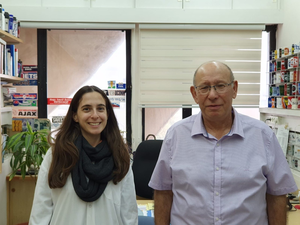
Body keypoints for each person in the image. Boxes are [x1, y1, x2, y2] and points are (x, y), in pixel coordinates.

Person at [149, 61, 298, 225]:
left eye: (220, 86)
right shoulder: (176, 136)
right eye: (204, 88)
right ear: (194, 94)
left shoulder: (263, 136)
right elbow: (163, 191)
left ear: (234, 89)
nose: (212, 95)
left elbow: (277, 195)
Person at [29, 85, 138, 225]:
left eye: (100, 108)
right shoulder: (57, 155)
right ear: (75, 116)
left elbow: (129, 214)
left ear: (108, 114)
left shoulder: (119, 156)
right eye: (86, 109)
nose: (95, 115)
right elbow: (40, 212)